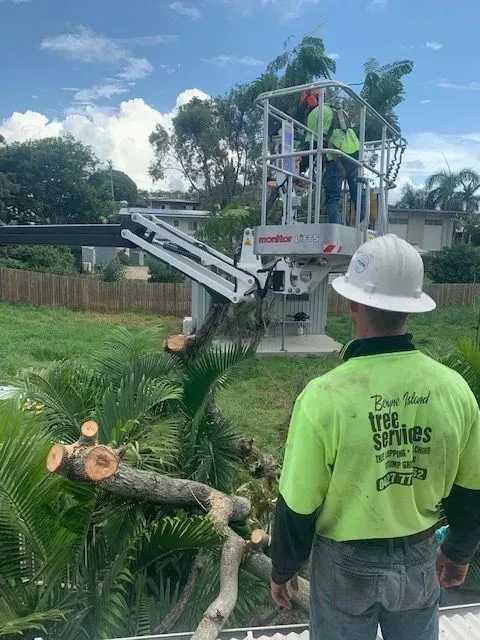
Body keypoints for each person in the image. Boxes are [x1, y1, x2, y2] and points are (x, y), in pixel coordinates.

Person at [270, 234, 480, 640]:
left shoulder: (324, 396)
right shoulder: (455, 391)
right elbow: (472, 492)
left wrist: (283, 569)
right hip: (419, 560)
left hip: (344, 566)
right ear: (412, 309)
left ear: (352, 302)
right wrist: (456, 553)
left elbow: (298, 503)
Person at [299, 90, 363, 225]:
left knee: (332, 198)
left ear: (311, 101)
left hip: (336, 157)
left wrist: (300, 169)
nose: (306, 108)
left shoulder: (315, 114)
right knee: (357, 194)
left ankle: (335, 228)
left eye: (306, 104)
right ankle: (363, 225)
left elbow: (312, 144)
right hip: (354, 156)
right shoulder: (338, 110)